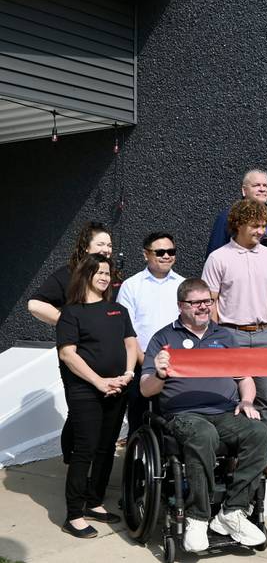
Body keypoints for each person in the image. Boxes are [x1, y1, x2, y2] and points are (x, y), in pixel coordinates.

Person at [140, 278, 267, 552]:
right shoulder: (164, 339)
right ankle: (197, 517)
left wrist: (247, 400)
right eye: (196, 303)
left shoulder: (224, 336)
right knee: (203, 434)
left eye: (207, 302)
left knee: (259, 432)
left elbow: (244, 377)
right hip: (183, 414)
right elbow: (145, 389)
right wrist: (161, 374)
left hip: (224, 411)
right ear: (180, 306)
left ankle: (232, 512)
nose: (203, 307)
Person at [202, 199, 267, 480]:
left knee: (265, 398)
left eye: (263, 225)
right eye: (255, 226)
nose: (261, 231)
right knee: (233, 398)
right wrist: (217, 337)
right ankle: (231, 458)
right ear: (238, 225)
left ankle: (259, 457)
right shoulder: (218, 258)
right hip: (231, 333)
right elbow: (210, 301)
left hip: (265, 334)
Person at [55, 254, 137, 538]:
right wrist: (99, 382)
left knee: (106, 448)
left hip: (117, 387)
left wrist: (127, 374)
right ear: (86, 275)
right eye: (98, 272)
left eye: (107, 272)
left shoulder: (118, 310)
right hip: (85, 390)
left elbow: (130, 343)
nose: (104, 277)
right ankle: (74, 514)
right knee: (85, 450)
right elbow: (68, 354)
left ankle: (94, 501)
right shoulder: (71, 313)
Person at [28, 221, 115, 464]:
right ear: (85, 247)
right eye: (100, 243)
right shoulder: (68, 274)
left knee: (101, 409)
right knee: (80, 410)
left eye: (109, 244)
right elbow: (34, 304)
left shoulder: (109, 274)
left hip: (106, 353)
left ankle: (92, 460)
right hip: (76, 353)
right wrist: (67, 322)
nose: (106, 248)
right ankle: (72, 458)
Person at [117, 232, 185, 439]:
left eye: (171, 251)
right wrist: (144, 360)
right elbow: (126, 329)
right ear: (146, 254)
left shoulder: (183, 285)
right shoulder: (131, 285)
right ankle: (136, 466)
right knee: (138, 417)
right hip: (141, 359)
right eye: (160, 252)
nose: (167, 256)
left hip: (177, 362)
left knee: (171, 417)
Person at [205, 169, 267, 257]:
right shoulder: (228, 216)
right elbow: (214, 254)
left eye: (265, 186)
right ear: (244, 190)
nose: (262, 189)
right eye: (256, 185)